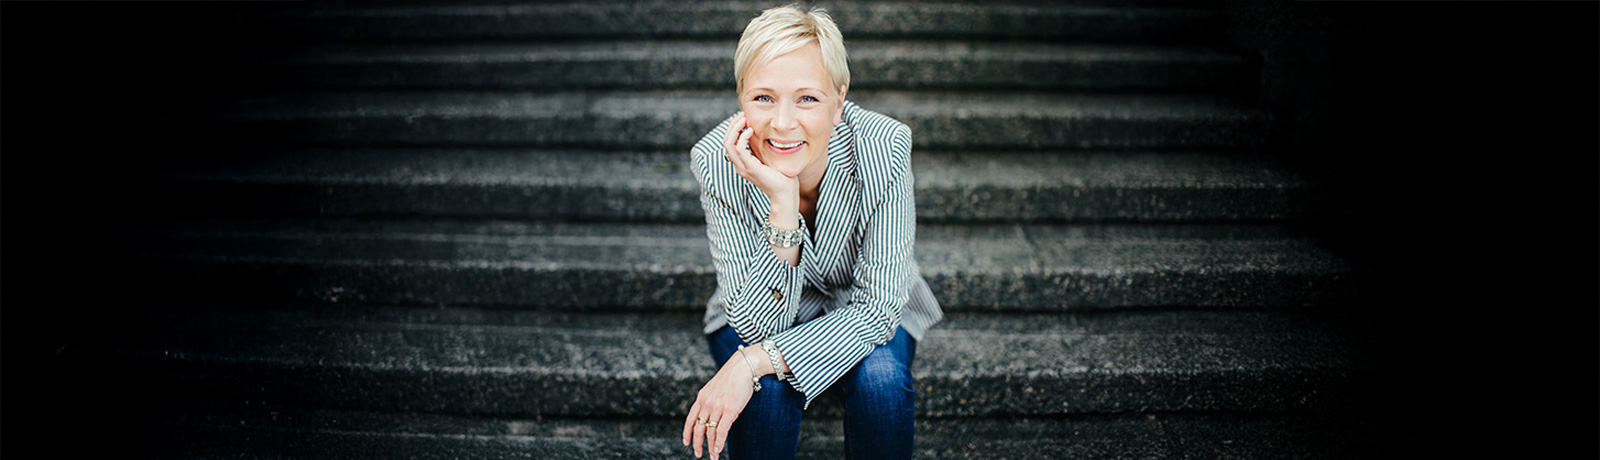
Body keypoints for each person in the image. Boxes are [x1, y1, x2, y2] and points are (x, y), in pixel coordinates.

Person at [680, 4, 944, 460]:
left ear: (838, 101)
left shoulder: (884, 146)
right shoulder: (715, 160)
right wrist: (782, 206)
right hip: (750, 307)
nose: (783, 123)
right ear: (741, 98)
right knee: (767, 392)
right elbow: (755, 326)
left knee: (881, 382)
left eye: (807, 98)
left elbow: (879, 309)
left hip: (860, 309)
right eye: (763, 98)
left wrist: (752, 361)